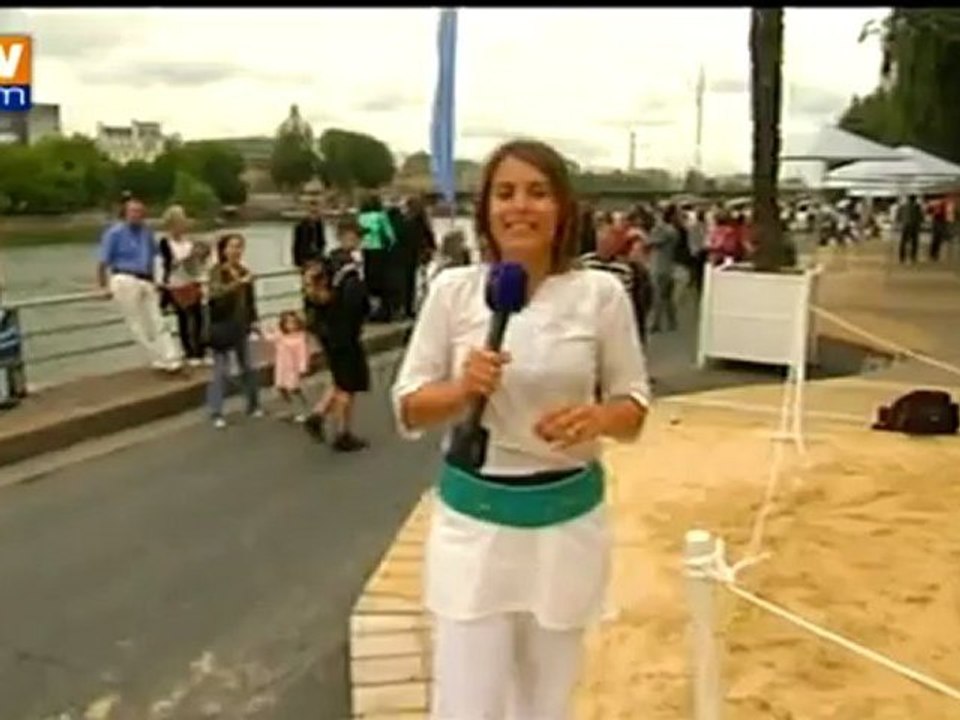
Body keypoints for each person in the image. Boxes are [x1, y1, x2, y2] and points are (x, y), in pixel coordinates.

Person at [392, 139, 651, 719]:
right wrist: (461, 390)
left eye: (538, 192)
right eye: (505, 193)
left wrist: (597, 417)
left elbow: (633, 404)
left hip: (567, 528)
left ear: (562, 207)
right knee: (466, 703)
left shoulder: (602, 294)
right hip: (474, 531)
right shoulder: (452, 290)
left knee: (544, 703)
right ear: (486, 209)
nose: (521, 207)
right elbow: (408, 406)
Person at [302, 218, 371, 452]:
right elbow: (352, 302)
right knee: (347, 384)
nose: (359, 240)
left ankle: (318, 415)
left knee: (339, 377)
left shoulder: (327, 262)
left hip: (327, 329)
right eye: (356, 236)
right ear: (344, 236)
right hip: (343, 331)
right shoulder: (347, 268)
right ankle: (342, 432)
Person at [96, 196, 183, 373]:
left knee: (157, 319)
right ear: (125, 213)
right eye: (133, 211)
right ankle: (158, 357)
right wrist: (102, 286)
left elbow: (155, 255)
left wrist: (158, 278)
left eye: (140, 212)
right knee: (137, 322)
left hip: (146, 279)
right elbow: (102, 262)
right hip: (124, 277)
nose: (137, 215)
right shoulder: (114, 233)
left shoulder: (146, 232)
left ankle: (171, 357)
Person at [206, 233, 262, 429]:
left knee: (248, 367)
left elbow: (250, 300)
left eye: (239, 247)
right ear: (223, 250)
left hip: (242, 325)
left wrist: (254, 321)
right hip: (222, 325)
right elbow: (215, 294)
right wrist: (239, 283)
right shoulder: (217, 271)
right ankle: (216, 411)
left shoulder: (244, 270)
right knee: (220, 370)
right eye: (232, 247)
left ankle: (253, 405)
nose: (236, 251)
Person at [158, 204, 210, 366]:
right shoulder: (164, 243)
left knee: (199, 317)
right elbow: (163, 265)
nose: (182, 226)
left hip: (191, 282)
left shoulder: (189, 243)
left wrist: (199, 258)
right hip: (175, 285)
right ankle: (189, 352)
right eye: (179, 223)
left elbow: (198, 264)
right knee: (185, 319)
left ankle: (201, 351)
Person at [265, 310, 311, 422]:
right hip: (282, 368)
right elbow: (270, 338)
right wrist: (265, 329)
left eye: (293, 322)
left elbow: (303, 354)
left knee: (295, 389)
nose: (291, 325)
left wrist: (302, 367)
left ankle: (303, 410)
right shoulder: (280, 335)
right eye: (288, 323)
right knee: (281, 387)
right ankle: (291, 408)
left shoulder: (299, 337)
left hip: (293, 369)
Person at [358, 195, 397, 322]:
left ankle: (370, 310)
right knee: (383, 282)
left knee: (369, 280)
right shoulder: (381, 216)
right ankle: (384, 311)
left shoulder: (361, 217)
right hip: (380, 251)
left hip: (366, 250)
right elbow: (390, 236)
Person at [291, 199, 327, 271]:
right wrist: (299, 263)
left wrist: (319, 257)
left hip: (317, 259)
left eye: (316, 212)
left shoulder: (319, 225)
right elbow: (296, 246)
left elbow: (321, 242)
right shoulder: (300, 226)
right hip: (305, 260)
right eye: (312, 212)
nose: (314, 216)